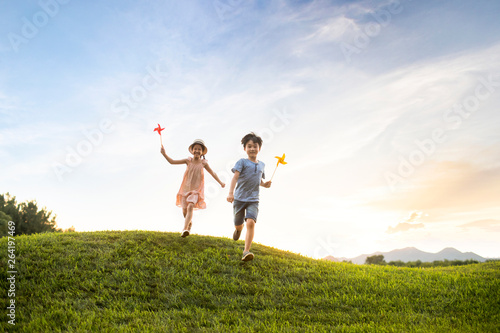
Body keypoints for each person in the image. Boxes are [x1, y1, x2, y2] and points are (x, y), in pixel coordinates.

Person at [161, 139, 225, 237]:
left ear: (202, 152)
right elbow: (172, 162)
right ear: (192, 150)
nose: (197, 151)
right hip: (185, 189)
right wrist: (164, 154)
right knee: (184, 211)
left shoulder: (203, 163)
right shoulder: (188, 161)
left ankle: (184, 229)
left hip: (196, 190)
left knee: (190, 206)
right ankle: (189, 224)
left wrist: (220, 182)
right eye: (195, 149)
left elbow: (213, 173)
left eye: (199, 149)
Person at [227, 132, 272, 261]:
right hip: (239, 199)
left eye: (255, 146)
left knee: (251, 223)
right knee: (238, 224)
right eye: (249, 146)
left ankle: (246, 251)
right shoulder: (242, 162)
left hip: (253, 200)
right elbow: (235, 177)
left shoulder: (262, 165)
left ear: (259, 148)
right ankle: (238, 230)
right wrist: (231, 193)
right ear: (245, 149)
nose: (252, 149)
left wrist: (265, 184)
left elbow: (259, 181)